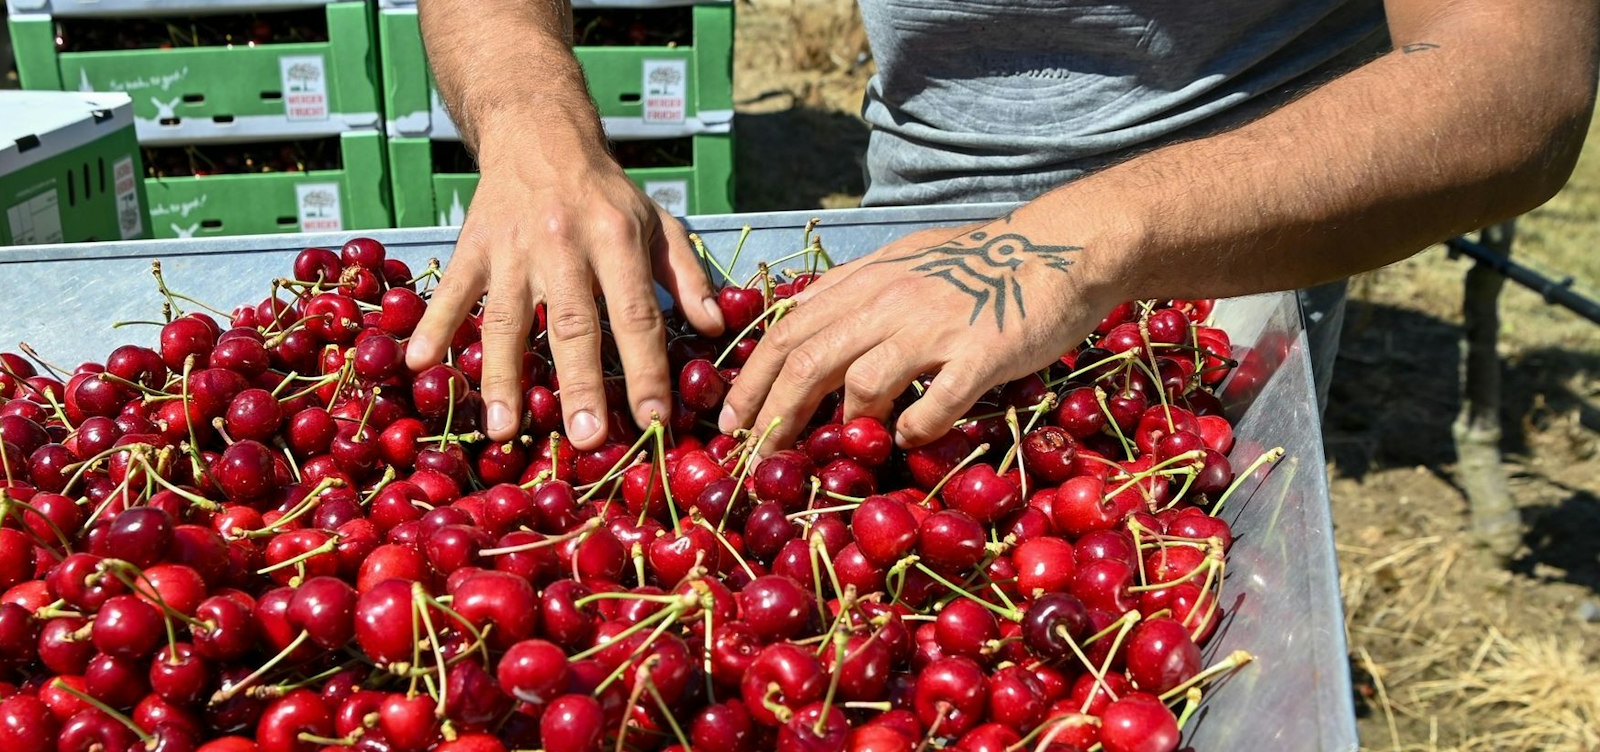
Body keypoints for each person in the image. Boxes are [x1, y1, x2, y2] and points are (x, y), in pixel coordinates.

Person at [402, 1, 1597, 455]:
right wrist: (528, 113)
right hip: (909, 242)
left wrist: (1069, 245)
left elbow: (1517, 80)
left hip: (1191, 274)